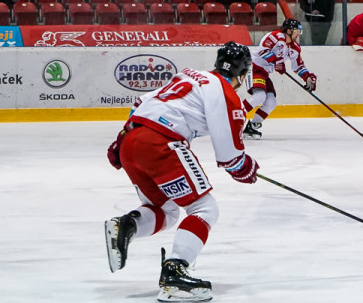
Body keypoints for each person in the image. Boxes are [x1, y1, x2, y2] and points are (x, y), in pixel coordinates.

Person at [104, 42, 258, 302]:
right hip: (161, 143)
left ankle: (127, 225)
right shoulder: (224, 90)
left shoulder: (190, 75)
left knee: (166, 210)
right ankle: (174, 274)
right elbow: (229, 154)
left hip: (132, 141)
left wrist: (123, 137)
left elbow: (141, 101)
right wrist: (245, 167)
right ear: (242, 73)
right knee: (205, 209)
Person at [242, 19, 317, 138]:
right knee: (259, 96)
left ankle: (251, 127)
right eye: (297, 31)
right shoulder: (275, 36)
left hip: (264, 73)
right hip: (254, 67)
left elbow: (298, 66)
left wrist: (307, 77)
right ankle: (233, 117)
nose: (298, 34)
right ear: (289, 30)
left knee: (271, 102)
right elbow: (263, 50)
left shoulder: (295, 48)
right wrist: (276, 62)